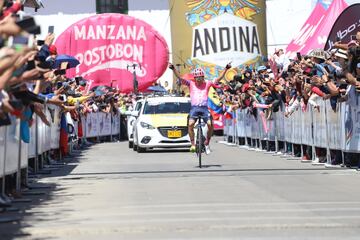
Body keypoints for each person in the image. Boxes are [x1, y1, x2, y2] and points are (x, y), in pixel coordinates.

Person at [169, 63, 231, 154]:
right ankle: (193, 144)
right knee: (190, 125)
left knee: (210, 124)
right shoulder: (190, 83)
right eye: (197, 78)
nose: (199, 79)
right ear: (194, 78)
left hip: (204, 109)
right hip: (194, 108)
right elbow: (180, 78)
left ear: (203, 77)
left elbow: (218, 79)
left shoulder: (208, 83)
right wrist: (173, 69)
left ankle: (207, 143)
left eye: (200, 77)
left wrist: (226, 69)